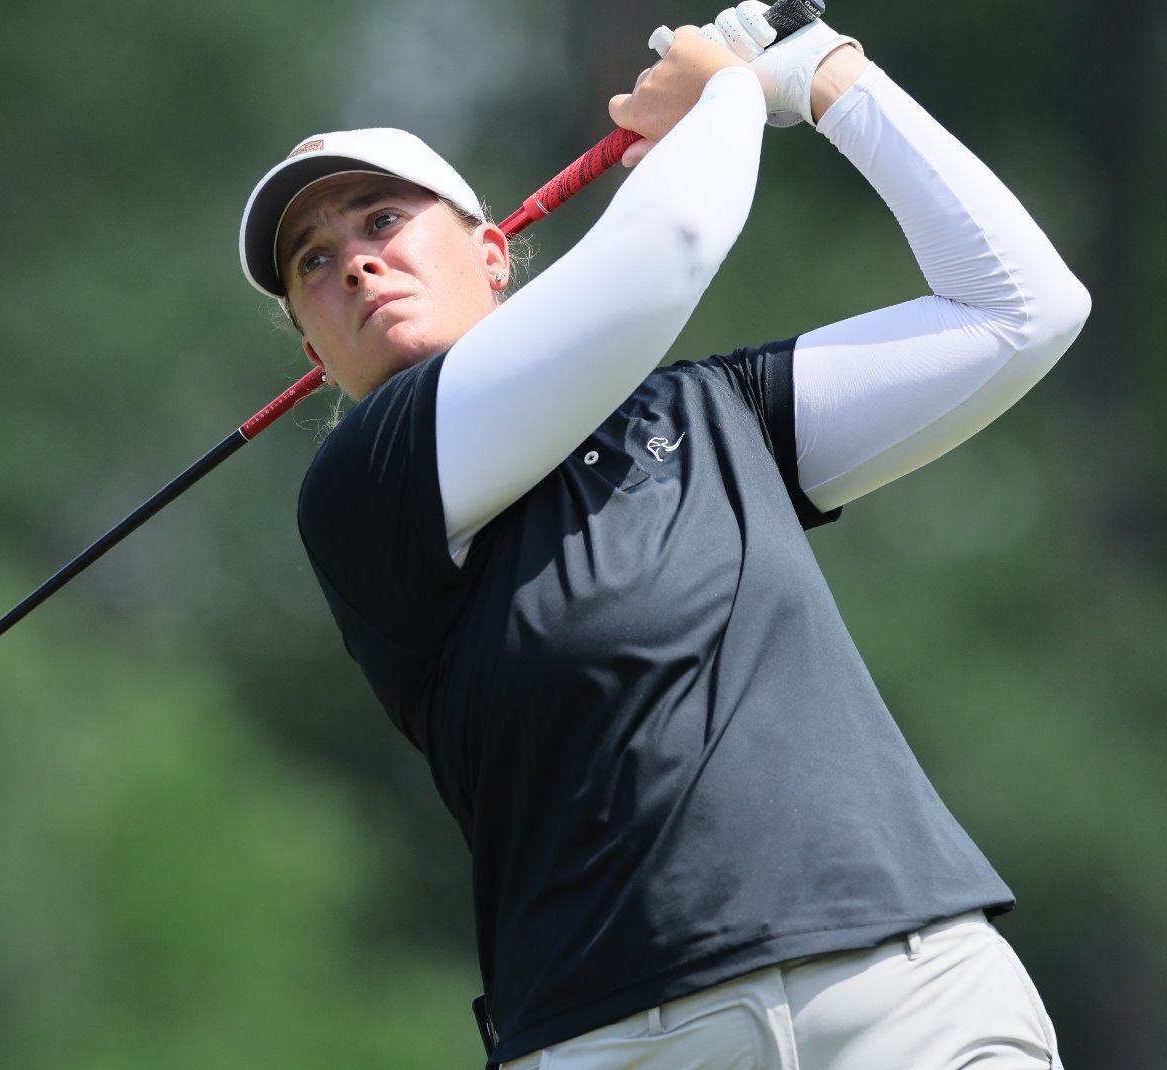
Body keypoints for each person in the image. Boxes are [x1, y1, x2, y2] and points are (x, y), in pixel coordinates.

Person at [237, 5, 1089, 1067]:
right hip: (624, 1038)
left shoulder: (714, 412)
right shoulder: (364, 489)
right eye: (313, 263)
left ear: (493, 254)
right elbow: (667, 250)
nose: (355, 266)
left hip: (910, 988)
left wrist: (826, 79)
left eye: (380, 221)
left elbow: (1022, 310)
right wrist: (724, 92)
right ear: (315, 355)